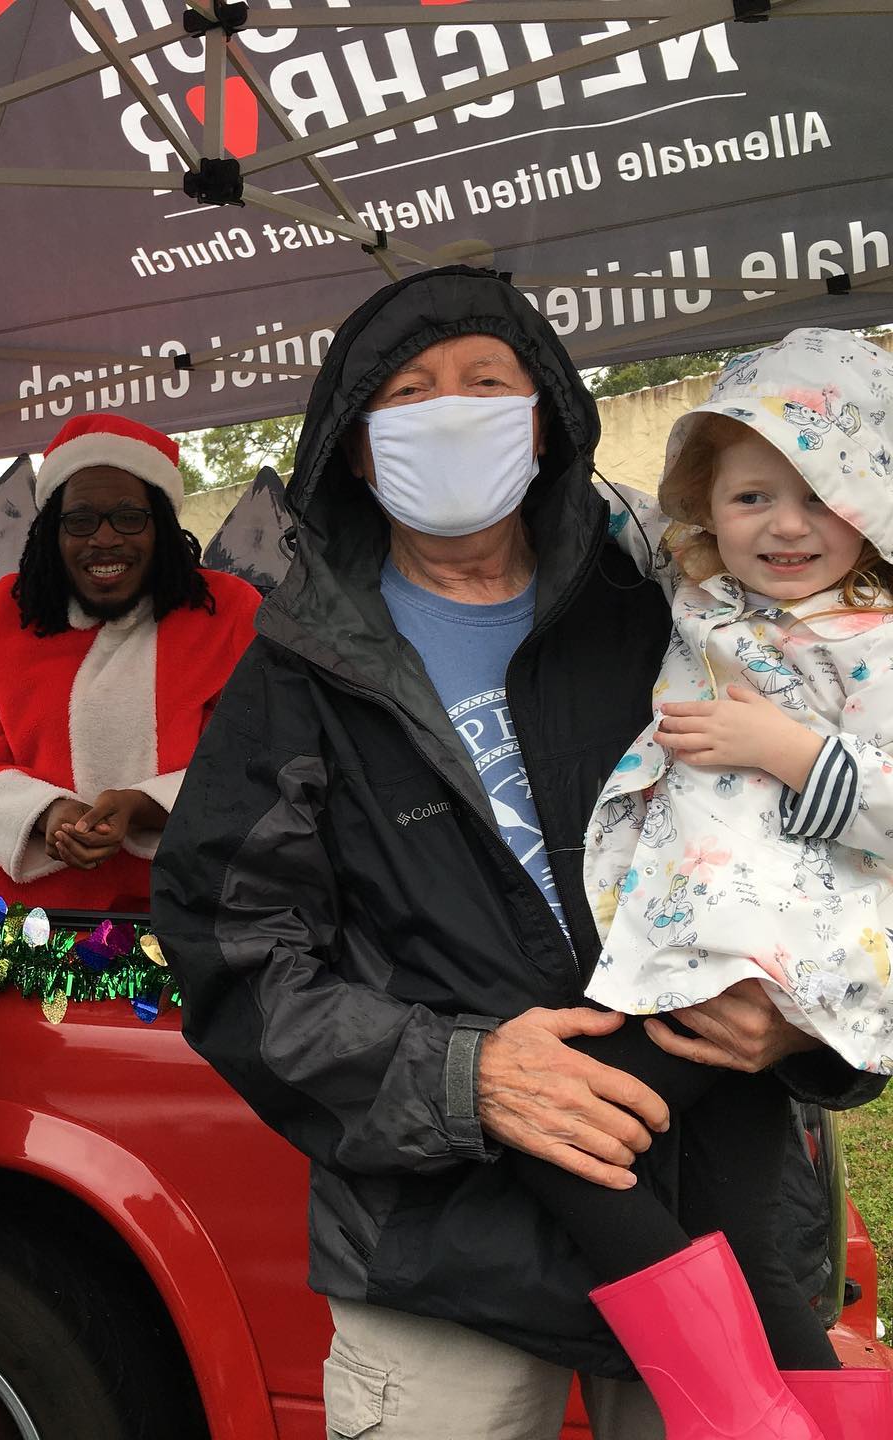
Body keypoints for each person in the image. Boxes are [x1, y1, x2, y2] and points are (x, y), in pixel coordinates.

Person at [150, 268, 884, 1440]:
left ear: (543, 415)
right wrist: (466, 1078)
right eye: (409, 391)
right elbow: (233, 957)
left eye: (487, 383)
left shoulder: (675, 613)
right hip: (450, 1257)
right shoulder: (299, 673)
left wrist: (808, 1029)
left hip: (712, 1212)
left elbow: (859, 844)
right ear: (352, 446)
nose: (451, 414)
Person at [523, 327, 893, 1438]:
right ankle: (823, 1417)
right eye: (750, 497)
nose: (786, 526)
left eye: (821, 495)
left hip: (762, 955)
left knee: (563, 1139)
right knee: (738, 1206)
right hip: (687, 938)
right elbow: (602, 504)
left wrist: (783, 748)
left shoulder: (874, 636)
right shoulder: (703, 594)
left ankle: (731, 1411)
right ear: (707, 508)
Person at [0, 413, 261, 911]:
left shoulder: (227, 609)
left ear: (160, 525)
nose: (104, 538)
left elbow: (253, 758)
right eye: (80, 521)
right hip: (44, 861)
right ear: (52, 535)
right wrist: (51, 814)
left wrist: (141, 808)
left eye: (128, 517)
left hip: (188, 858)